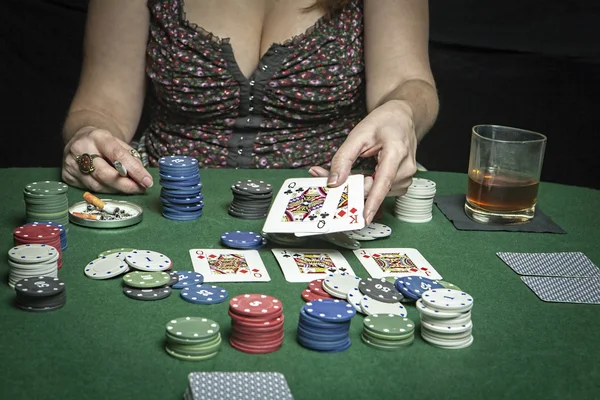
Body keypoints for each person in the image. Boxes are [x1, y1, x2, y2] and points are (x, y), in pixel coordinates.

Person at [61, 0, 439, 225]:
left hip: (334, 206)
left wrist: (402, 111)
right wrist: (91, 137)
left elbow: (408, 82)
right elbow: (100, 103)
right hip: (161, 204)